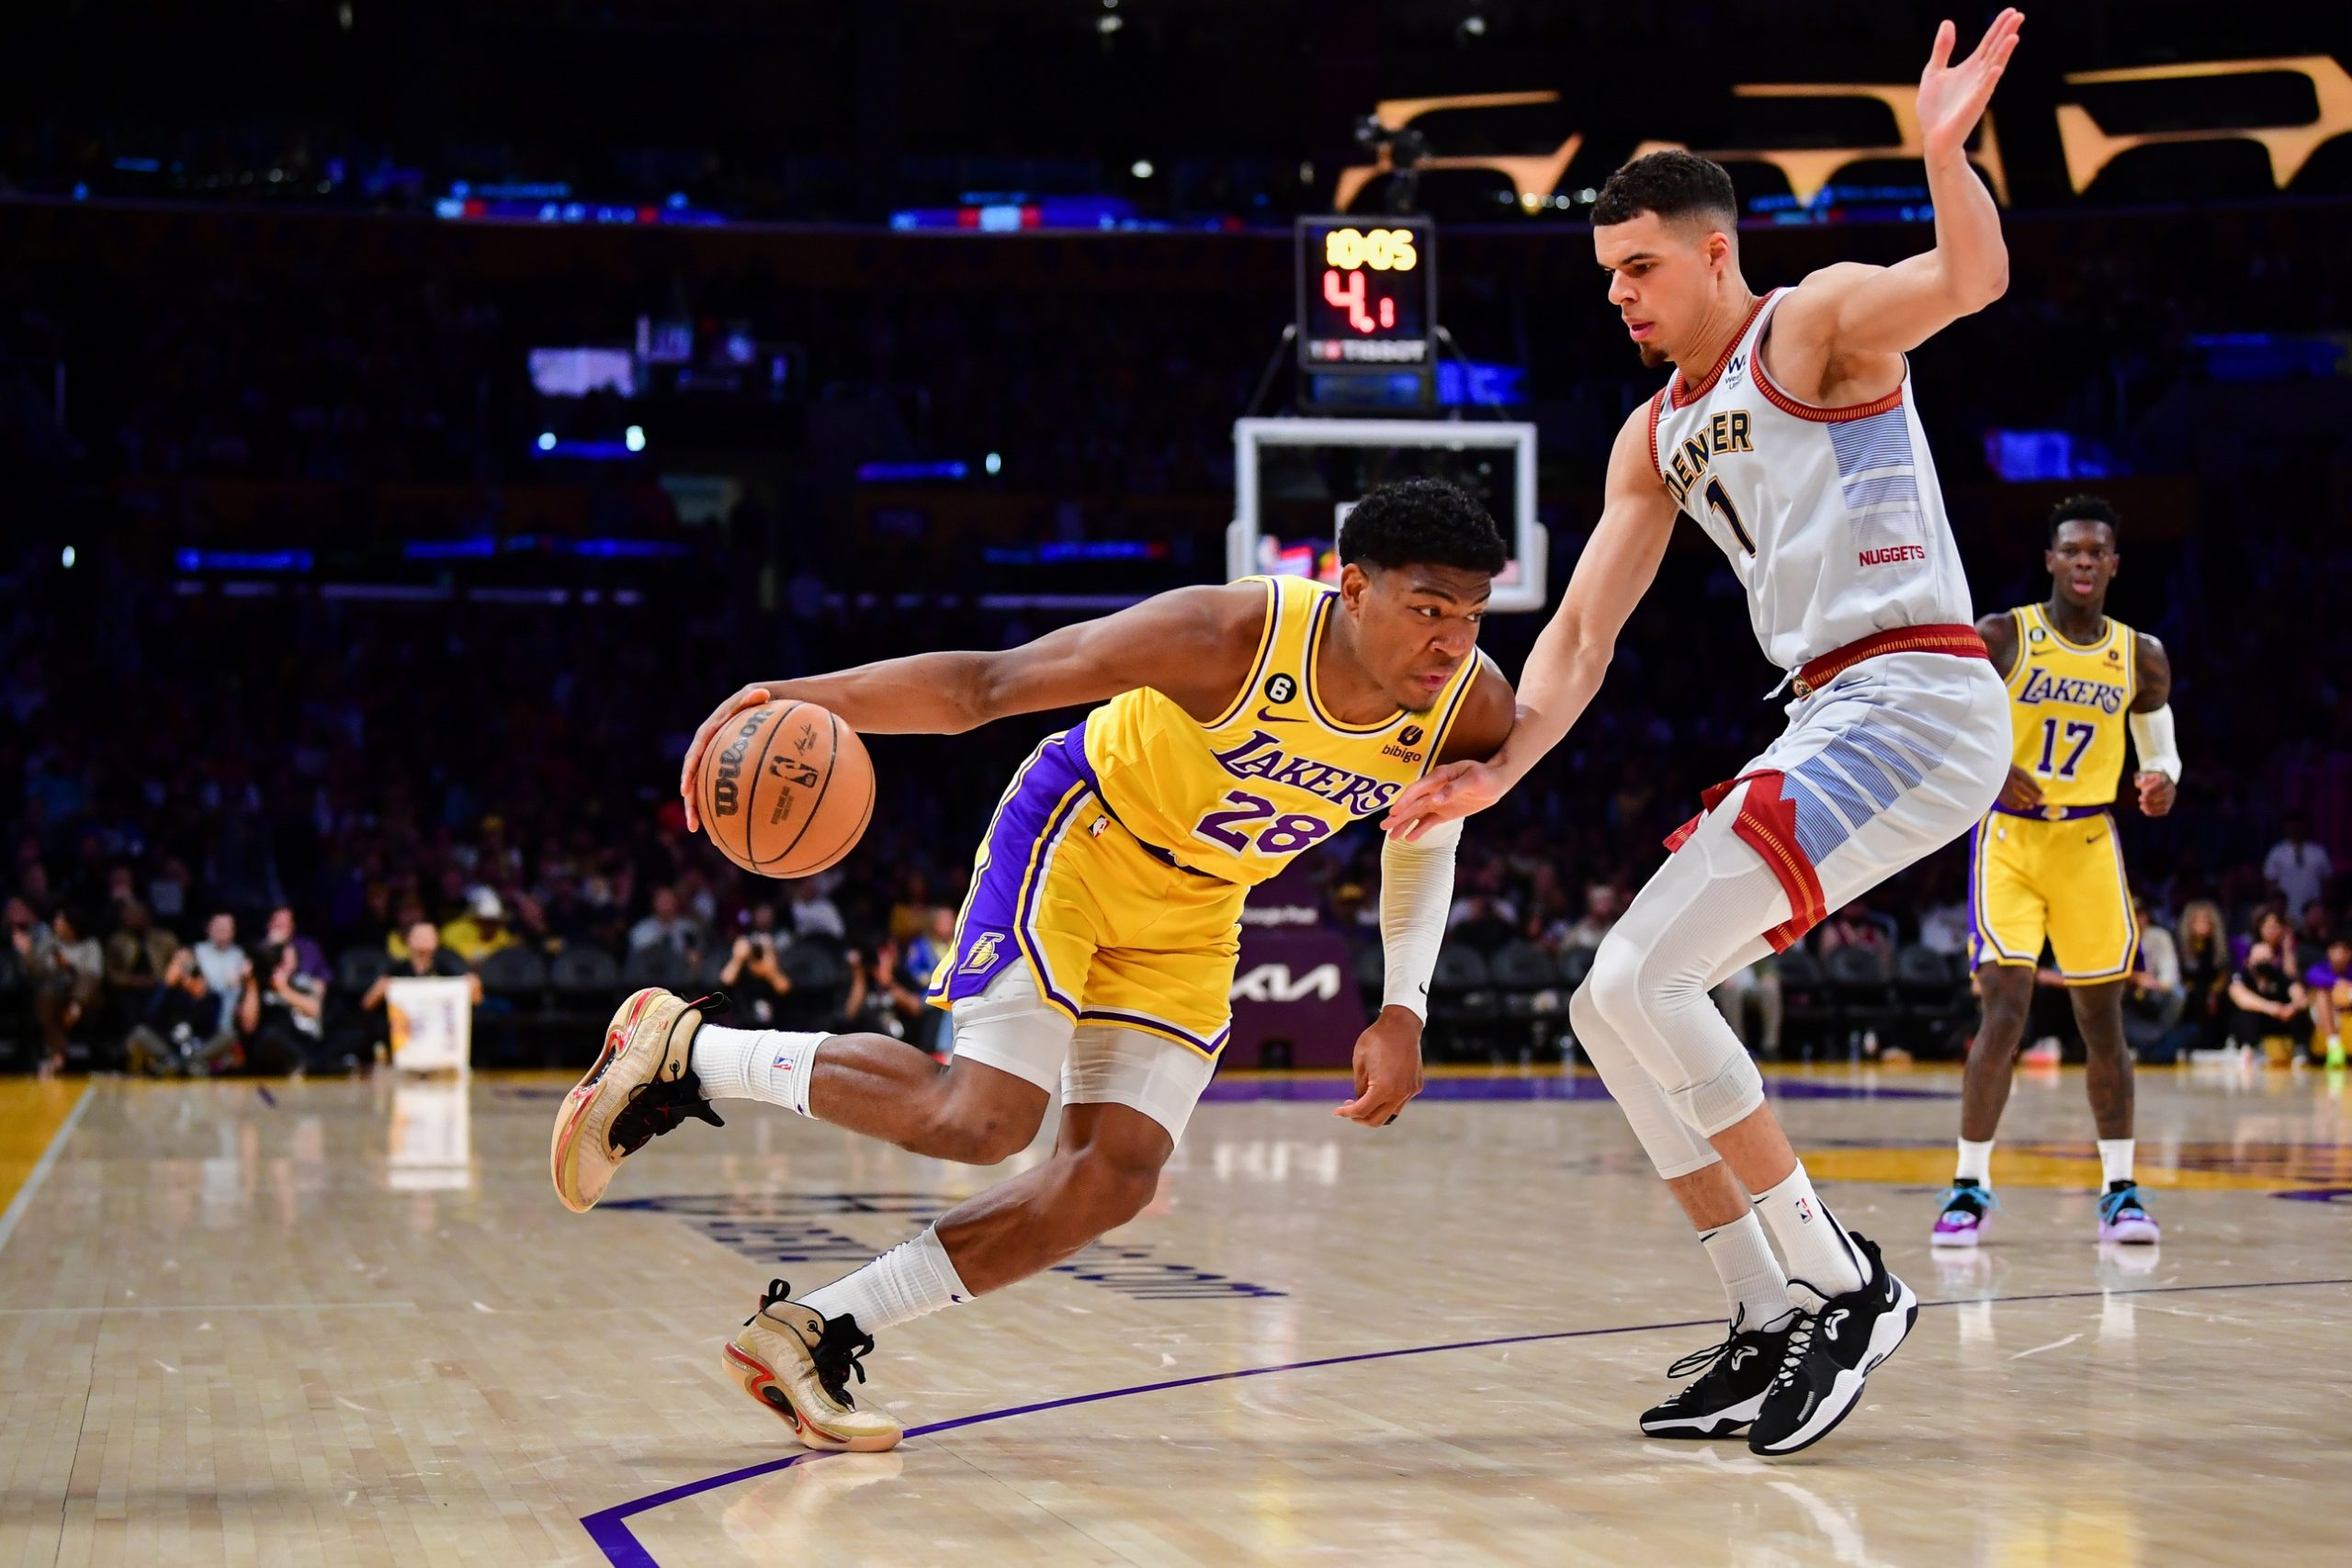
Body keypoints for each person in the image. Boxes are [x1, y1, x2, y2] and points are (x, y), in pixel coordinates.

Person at [553, 476, 1515, 1453]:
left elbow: (1424, 840)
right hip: (1080, 837)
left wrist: (1405, 1008)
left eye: (1471, 614)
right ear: (1352, 589)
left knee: (1116, 1175)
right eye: (1427, 610)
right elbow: (985, 688)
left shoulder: (1469, 706)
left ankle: (816, 1330)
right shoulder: (1228, 637)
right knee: (982, 1121)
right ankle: (687, 1051)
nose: (1451, 641)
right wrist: (793, 697)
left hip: (1198, 906)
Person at [1382, 11, 2024, 1458]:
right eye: (1606, 274)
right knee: (1608, 1001)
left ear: (1715, 250)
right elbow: (1582, 636)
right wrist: (1495, 767)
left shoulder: (1813, 324)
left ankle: (1842, 1282)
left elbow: (1974, 274)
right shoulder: (1650, 431)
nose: (1619, 294)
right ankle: (1764, 1303)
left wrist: (1943, 150)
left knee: (1647, 973)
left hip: (1912, 689)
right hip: (1834, 711)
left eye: (1640, 267)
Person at [1935, 492, 2180, 1249]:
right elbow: (1944, 718)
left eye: (2095, 551)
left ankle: (2121, 1189)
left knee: (2100, 1021)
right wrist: (1989, 770)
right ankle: (1969, 1184)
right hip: (2009, 840)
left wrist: (2163, 776)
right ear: (2050, 559)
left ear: (2112, 563)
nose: (2081, 561)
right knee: (2003, 1007)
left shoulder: (2140, 654)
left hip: (2087, 843)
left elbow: (2159, 742)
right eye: (2069, 549)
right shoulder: (2004, 636)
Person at [2229, 940, 2307, 1066]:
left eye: (2266, 958)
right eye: (2259, 959)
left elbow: (2299, 995)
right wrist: (2270, 1007)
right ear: (2248, 961)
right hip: (2257, 1022)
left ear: (2273, 960)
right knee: (2245, 1014)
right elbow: (2240, 997)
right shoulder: (2241, 977)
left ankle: (2300, 1049)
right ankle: (2254, 1049)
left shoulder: (2280, 976)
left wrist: (2292, 1008)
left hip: (2278, 1022)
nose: (2263, 963)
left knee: (2300, 1013)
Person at [190, 912, 252, 1040]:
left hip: (229, 1022)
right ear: (208, 928)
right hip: (199, 1015)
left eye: (227, 927)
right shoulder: (195, 952)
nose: (222, 930)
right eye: (218, 926)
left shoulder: (240, 956)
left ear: (234, 931)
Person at [2263, 812, 2331, 919]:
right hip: (2285, 912)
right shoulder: (2276, 853)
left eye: (2298, 825)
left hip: (2314, 911)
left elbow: (2327, 883)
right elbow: (2270, 883)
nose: (2295, 828)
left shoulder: (2319, 852)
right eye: (2291, 825)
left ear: (2305, 826)